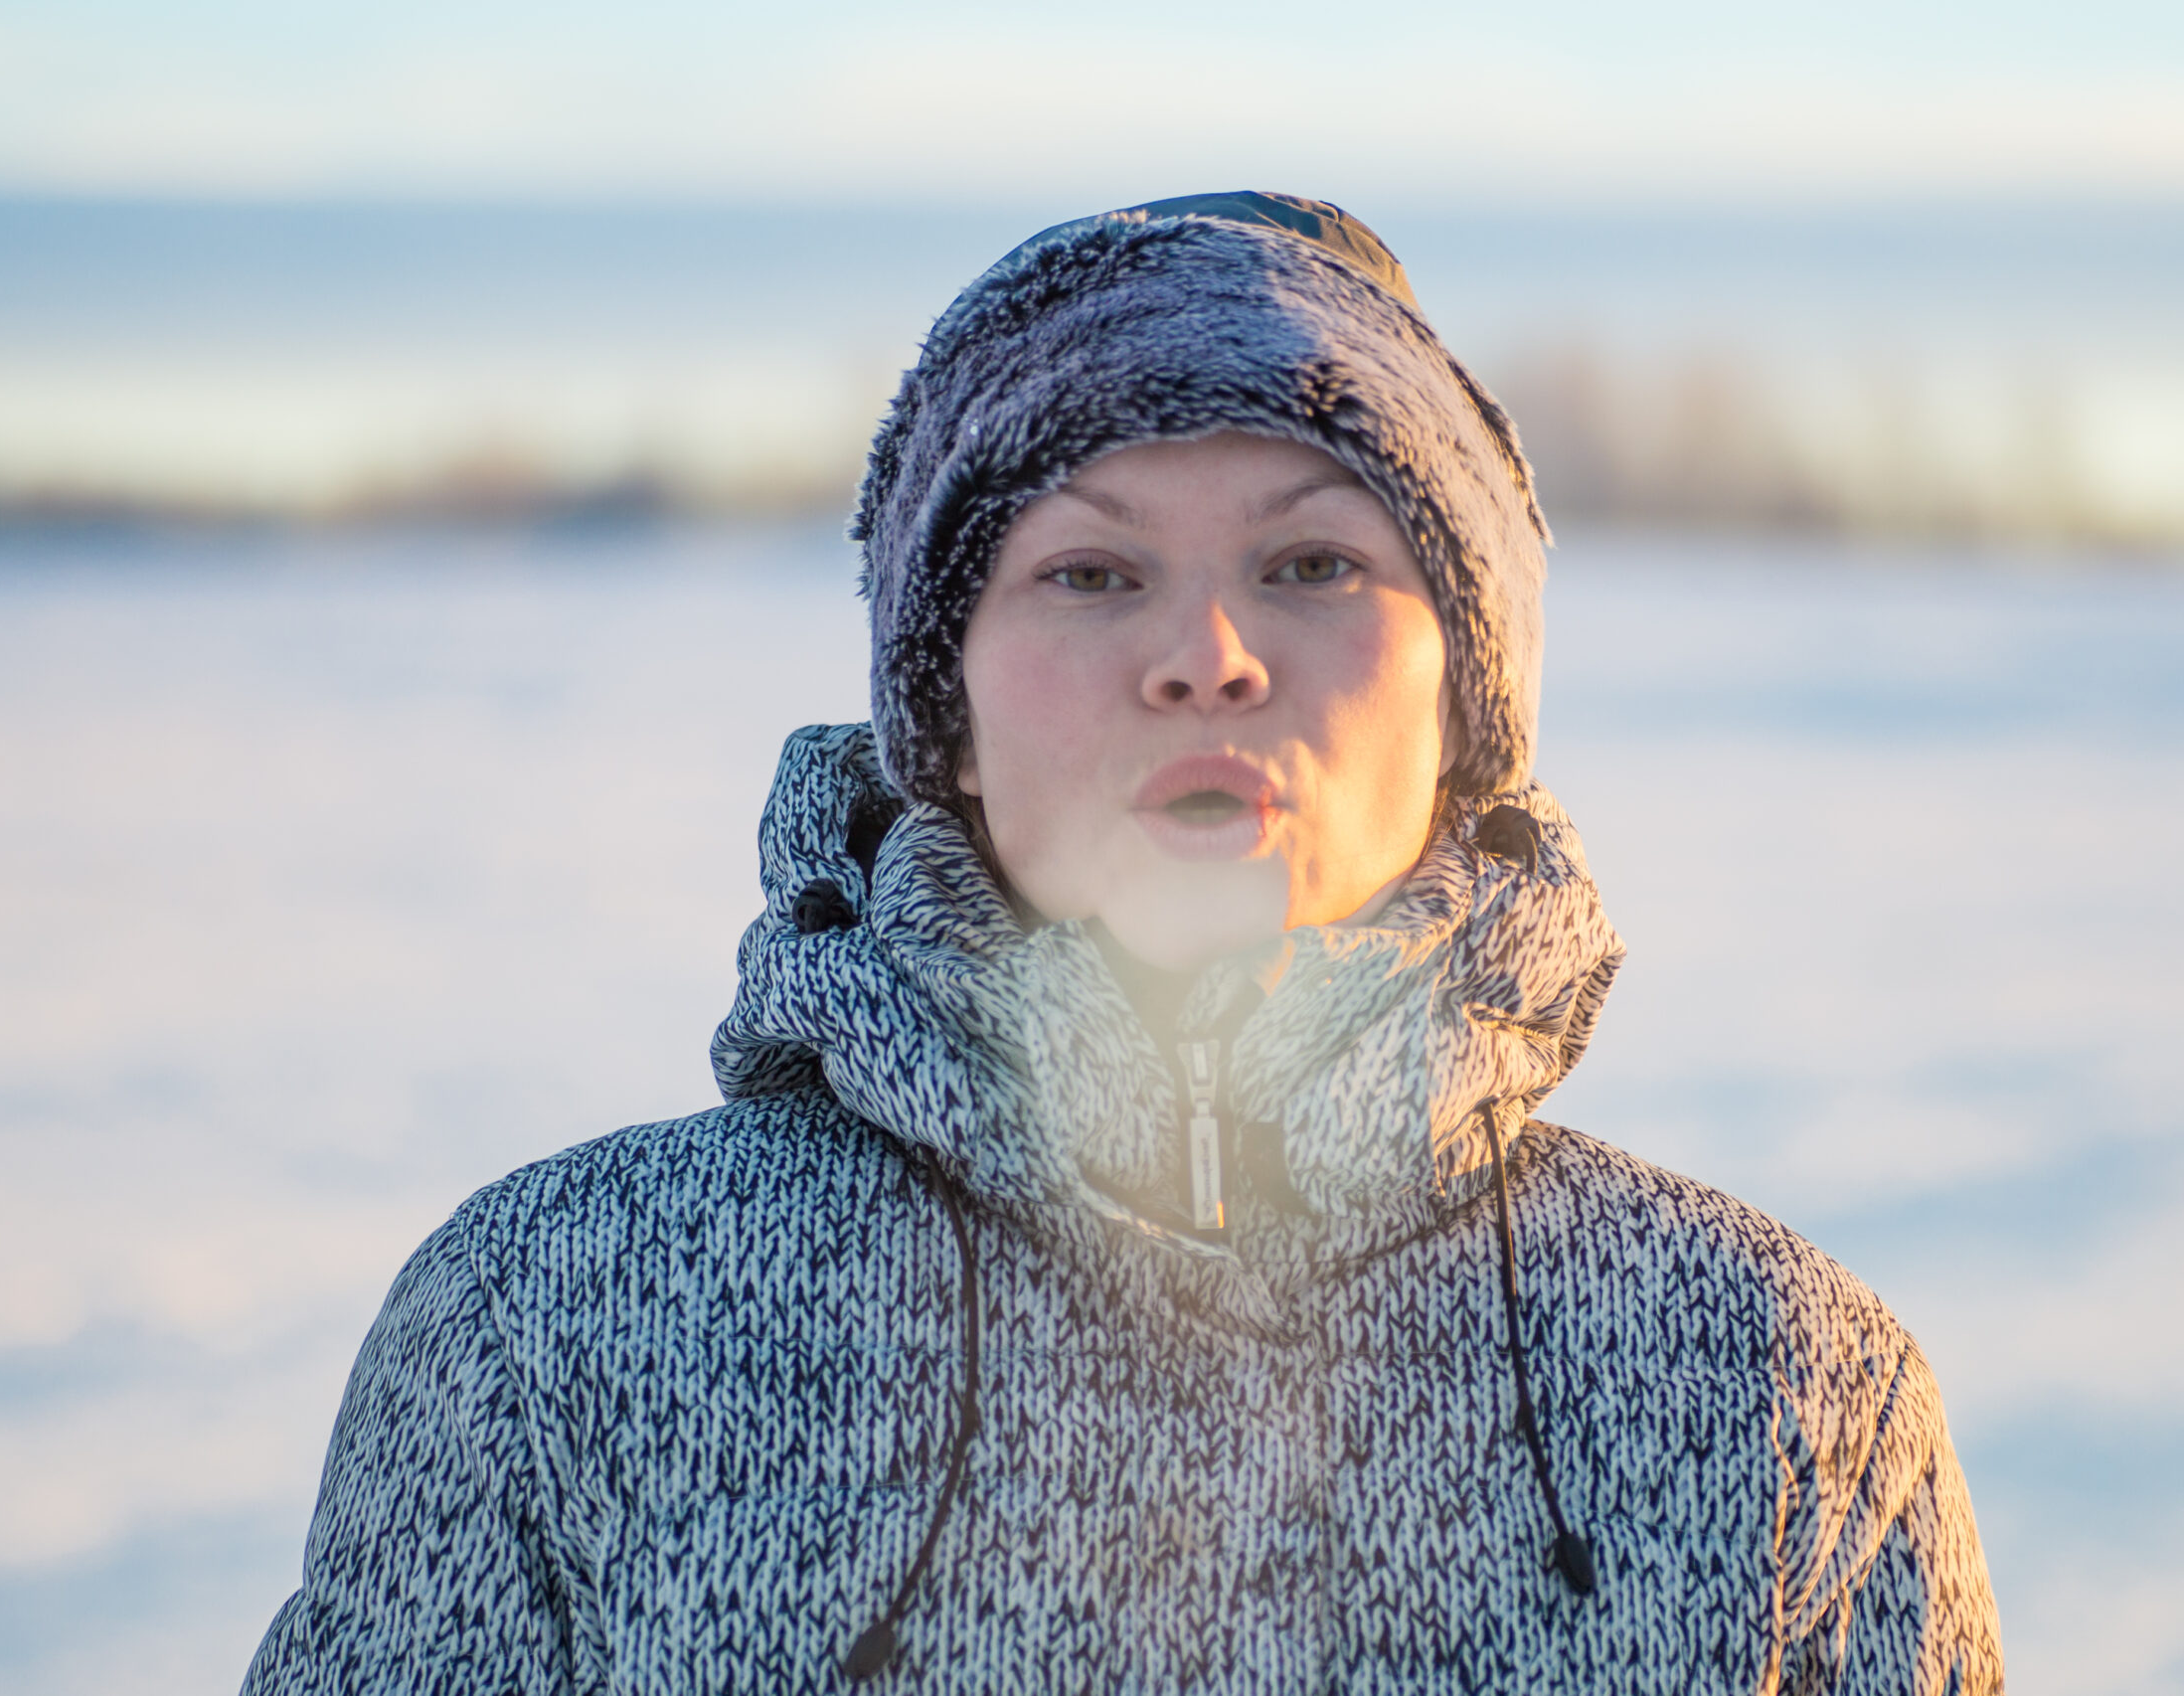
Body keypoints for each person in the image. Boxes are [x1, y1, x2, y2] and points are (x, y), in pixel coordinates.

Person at [242, 192, 2003, 1692]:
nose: (1209, 656)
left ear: (1471, 698)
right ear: (943, 713)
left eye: (1313, 565)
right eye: (1092, 575)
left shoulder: (1778, 1382)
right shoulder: (554, 1321)